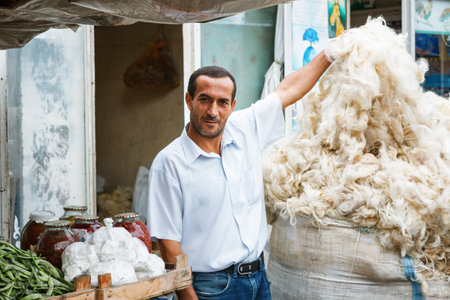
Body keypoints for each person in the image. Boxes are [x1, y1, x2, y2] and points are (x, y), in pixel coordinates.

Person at [147, 51, 331, 300]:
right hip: (210, 288)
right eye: (204, 100)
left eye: (222, 102)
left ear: (232, 106)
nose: (213, 111)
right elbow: (169, 246)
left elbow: (289, 90)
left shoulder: (245, 129)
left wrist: (330, 54)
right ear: (189, 100)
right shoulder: (170, 163)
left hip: (258, 278)